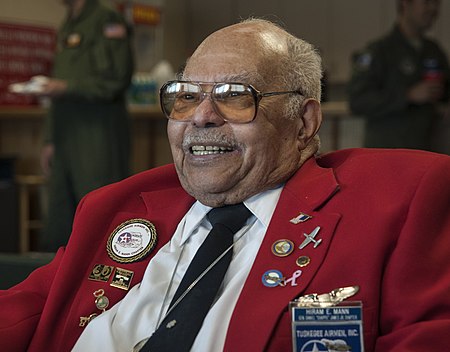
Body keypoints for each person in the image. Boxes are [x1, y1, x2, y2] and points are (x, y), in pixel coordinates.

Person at [1, 18, 450, 352]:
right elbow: (23, 312)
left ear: (304, 122)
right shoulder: (114, 207)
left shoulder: (399, 200)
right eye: (186, 96)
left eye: (235, 96)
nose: (201, 116)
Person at [38, 0, 134, 251]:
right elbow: (57, 91)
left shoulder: (107, 20)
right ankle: (56, 284)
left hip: (97, 135)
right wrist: (49, 139)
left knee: (99, 214)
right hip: (65, 135)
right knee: (60, 217)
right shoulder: (69, 23)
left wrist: (67, 87)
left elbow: (117, 79)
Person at [348, 0, 449, 150]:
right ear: (405, 4)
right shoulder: (379, 51)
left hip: (427, 153)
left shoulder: (433, 50)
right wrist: (408, 95)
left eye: (436, 3)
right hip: (388, 153)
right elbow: (357, 101)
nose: (433, 9)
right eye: (427, 2)